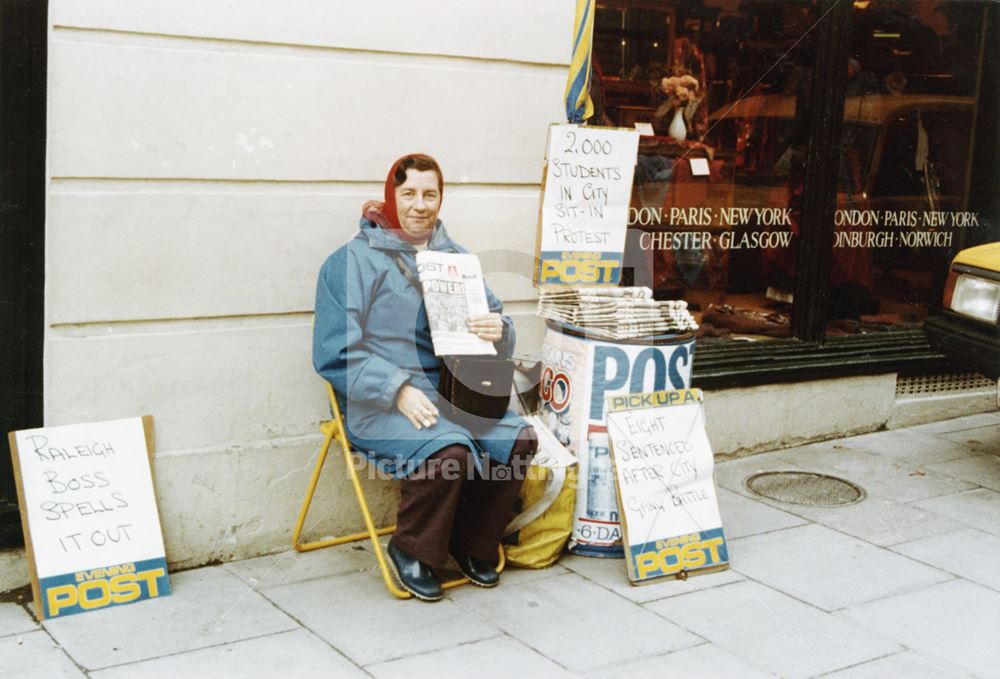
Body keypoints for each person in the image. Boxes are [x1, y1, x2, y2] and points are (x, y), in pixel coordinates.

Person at [312, 153, 536, 602]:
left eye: (430, 194)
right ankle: (411, 547)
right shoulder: (350, 262)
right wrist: (396, 389)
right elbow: (334, 351)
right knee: (448, 448)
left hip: (454, 392)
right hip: (379, 402)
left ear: (440, 198)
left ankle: (469, 541)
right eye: (409, 193)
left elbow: (493, 319)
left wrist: (500, 330)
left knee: (518, 439)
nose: (420, 205)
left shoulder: (456, 258)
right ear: (391, 197)